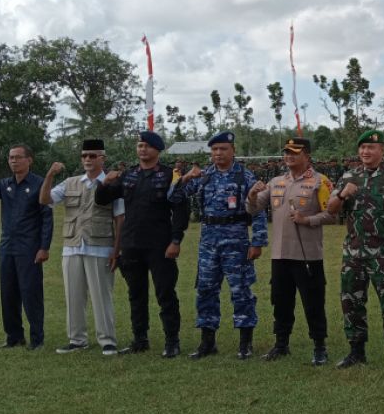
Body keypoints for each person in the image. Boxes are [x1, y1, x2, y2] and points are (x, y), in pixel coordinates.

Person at [172, 131, 268, 360]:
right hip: (209, 243)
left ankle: (245, 343)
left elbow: (257, 211)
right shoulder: (204, 176)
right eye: (214, 150)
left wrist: (257, 242)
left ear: (233, 150)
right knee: (205, 290)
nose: (218, 154)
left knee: (241, 291)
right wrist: (185, 178)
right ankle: (207, 342)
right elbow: (175, 198)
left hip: (237, 242)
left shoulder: (245, 176)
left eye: (223, 149)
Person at [325, 130, 384, 372]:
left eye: (371, 148)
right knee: (351, 301)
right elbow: (331, 210)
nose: (366, 151)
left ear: (382, 150)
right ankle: (356, 351)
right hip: (353, 254)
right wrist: (343, 193)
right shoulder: (348, 176)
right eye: (362, 147)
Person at [96, 131, 189, 357]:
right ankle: (140, 339)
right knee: (135, 294)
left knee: (165, 293)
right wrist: (104, 183)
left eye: (147, 146)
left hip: (160, 244)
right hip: (132, 243)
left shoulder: (169, 176)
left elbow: (181, 210)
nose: (142, 149)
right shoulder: (128, 175)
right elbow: (102, 200)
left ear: (157, 150)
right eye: (139, 145)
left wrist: (176, 240)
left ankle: (172, 341)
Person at [246, 137, 336, 365]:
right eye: (286, 152)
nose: (289, 156)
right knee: (281, 301)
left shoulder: (320, 181)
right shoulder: (276, 182)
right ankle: (281, 344)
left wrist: (307, 219)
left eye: (294, 152)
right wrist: (252, 195)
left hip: (308, 256)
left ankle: (319, 346)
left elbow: (332, 215)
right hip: (280, 254)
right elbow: (254, 209)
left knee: (313, 303)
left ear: (307, 155)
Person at [38, 139, 123, 356]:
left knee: (101, 296)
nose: (87, 159)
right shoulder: (70, 182)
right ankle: (77, 340)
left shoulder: (113, 183)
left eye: (92, 155)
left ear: (102, 158)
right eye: (84, 155)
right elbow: (44, 199)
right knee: (73, 296)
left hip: (100, 245)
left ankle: (108, 340)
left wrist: (116, 249)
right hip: (72, 246)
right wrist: (50, 175)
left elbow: (120, 218)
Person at [0, 144, 53, 349]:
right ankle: (14, 336)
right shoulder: (5, 184)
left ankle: (37, 339)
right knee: (8, 293)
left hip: (29, 248)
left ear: (29, 160)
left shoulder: (39, 184)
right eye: (11, 158)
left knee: (30, 293)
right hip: (7, 246)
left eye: (18, 157)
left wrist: (44, 247)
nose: (13, 161)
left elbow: (47, 218)